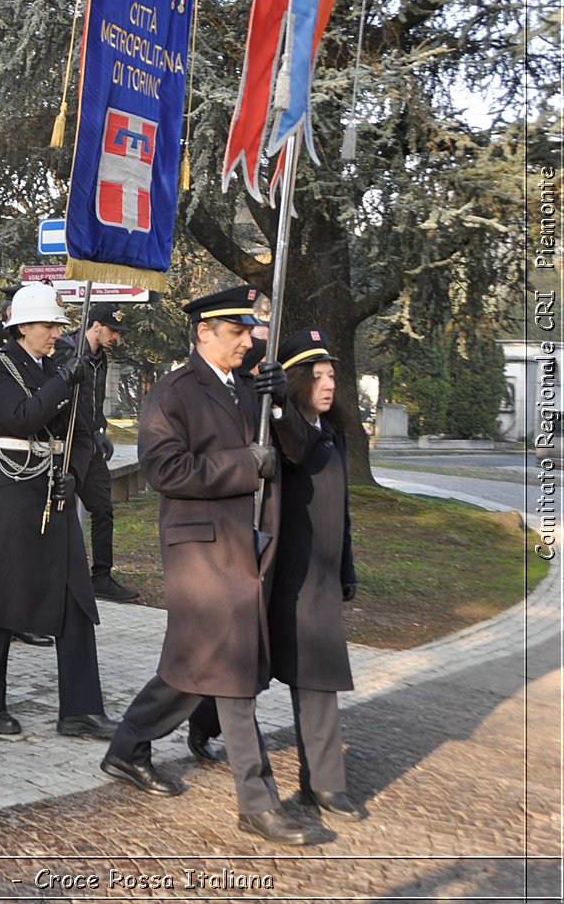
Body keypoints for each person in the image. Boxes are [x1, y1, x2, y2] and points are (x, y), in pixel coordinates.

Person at [101, 284, 314, 847]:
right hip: (201, 550)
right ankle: (258, 802)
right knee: (231, 670)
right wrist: (245, 463)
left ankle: (126, 749)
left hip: (250, 544)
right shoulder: (173, 393)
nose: (249, 343)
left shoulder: (251, 386)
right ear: (204, 333)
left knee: (196, 666)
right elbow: (165, 470)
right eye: (237, 333)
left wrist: (281, 404)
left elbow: (295, 454)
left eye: (250, 333)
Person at [0, 285, 118, 738]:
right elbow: (20, 417)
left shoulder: (62, 369)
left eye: (60, 325)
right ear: (22, 326)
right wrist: (66, 381)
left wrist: (75, 477)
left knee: (76, 601)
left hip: (53, 492)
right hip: (8, 488)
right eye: (48, 325)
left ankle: (80, 709)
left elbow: (81, 436)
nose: (56, 334)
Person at [271, 327, 365, 822]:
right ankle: (187, 729)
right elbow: (294, 448)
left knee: (317, 674)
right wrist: (280, 408)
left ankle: (324, 784)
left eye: (332, 376)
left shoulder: (335, 434)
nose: (329, 384)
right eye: (317, 376)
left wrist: (346, 568)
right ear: (297, 380)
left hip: (318, 578)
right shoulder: (284, 427)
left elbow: (342, 511)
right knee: (225, 673)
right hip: (272, 574)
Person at [56, 302, 140, 603]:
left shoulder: (99, 357)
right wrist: (89, 431)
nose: (116, 337)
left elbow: (94, 400)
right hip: (67, 445)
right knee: (58, 512)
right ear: (95, 326)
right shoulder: (66, 352)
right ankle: (57, 575)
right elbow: (64, 401)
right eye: (113, 330)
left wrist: (99, 429)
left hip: (90, 445)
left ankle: (101, 577)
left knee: (103, 509)